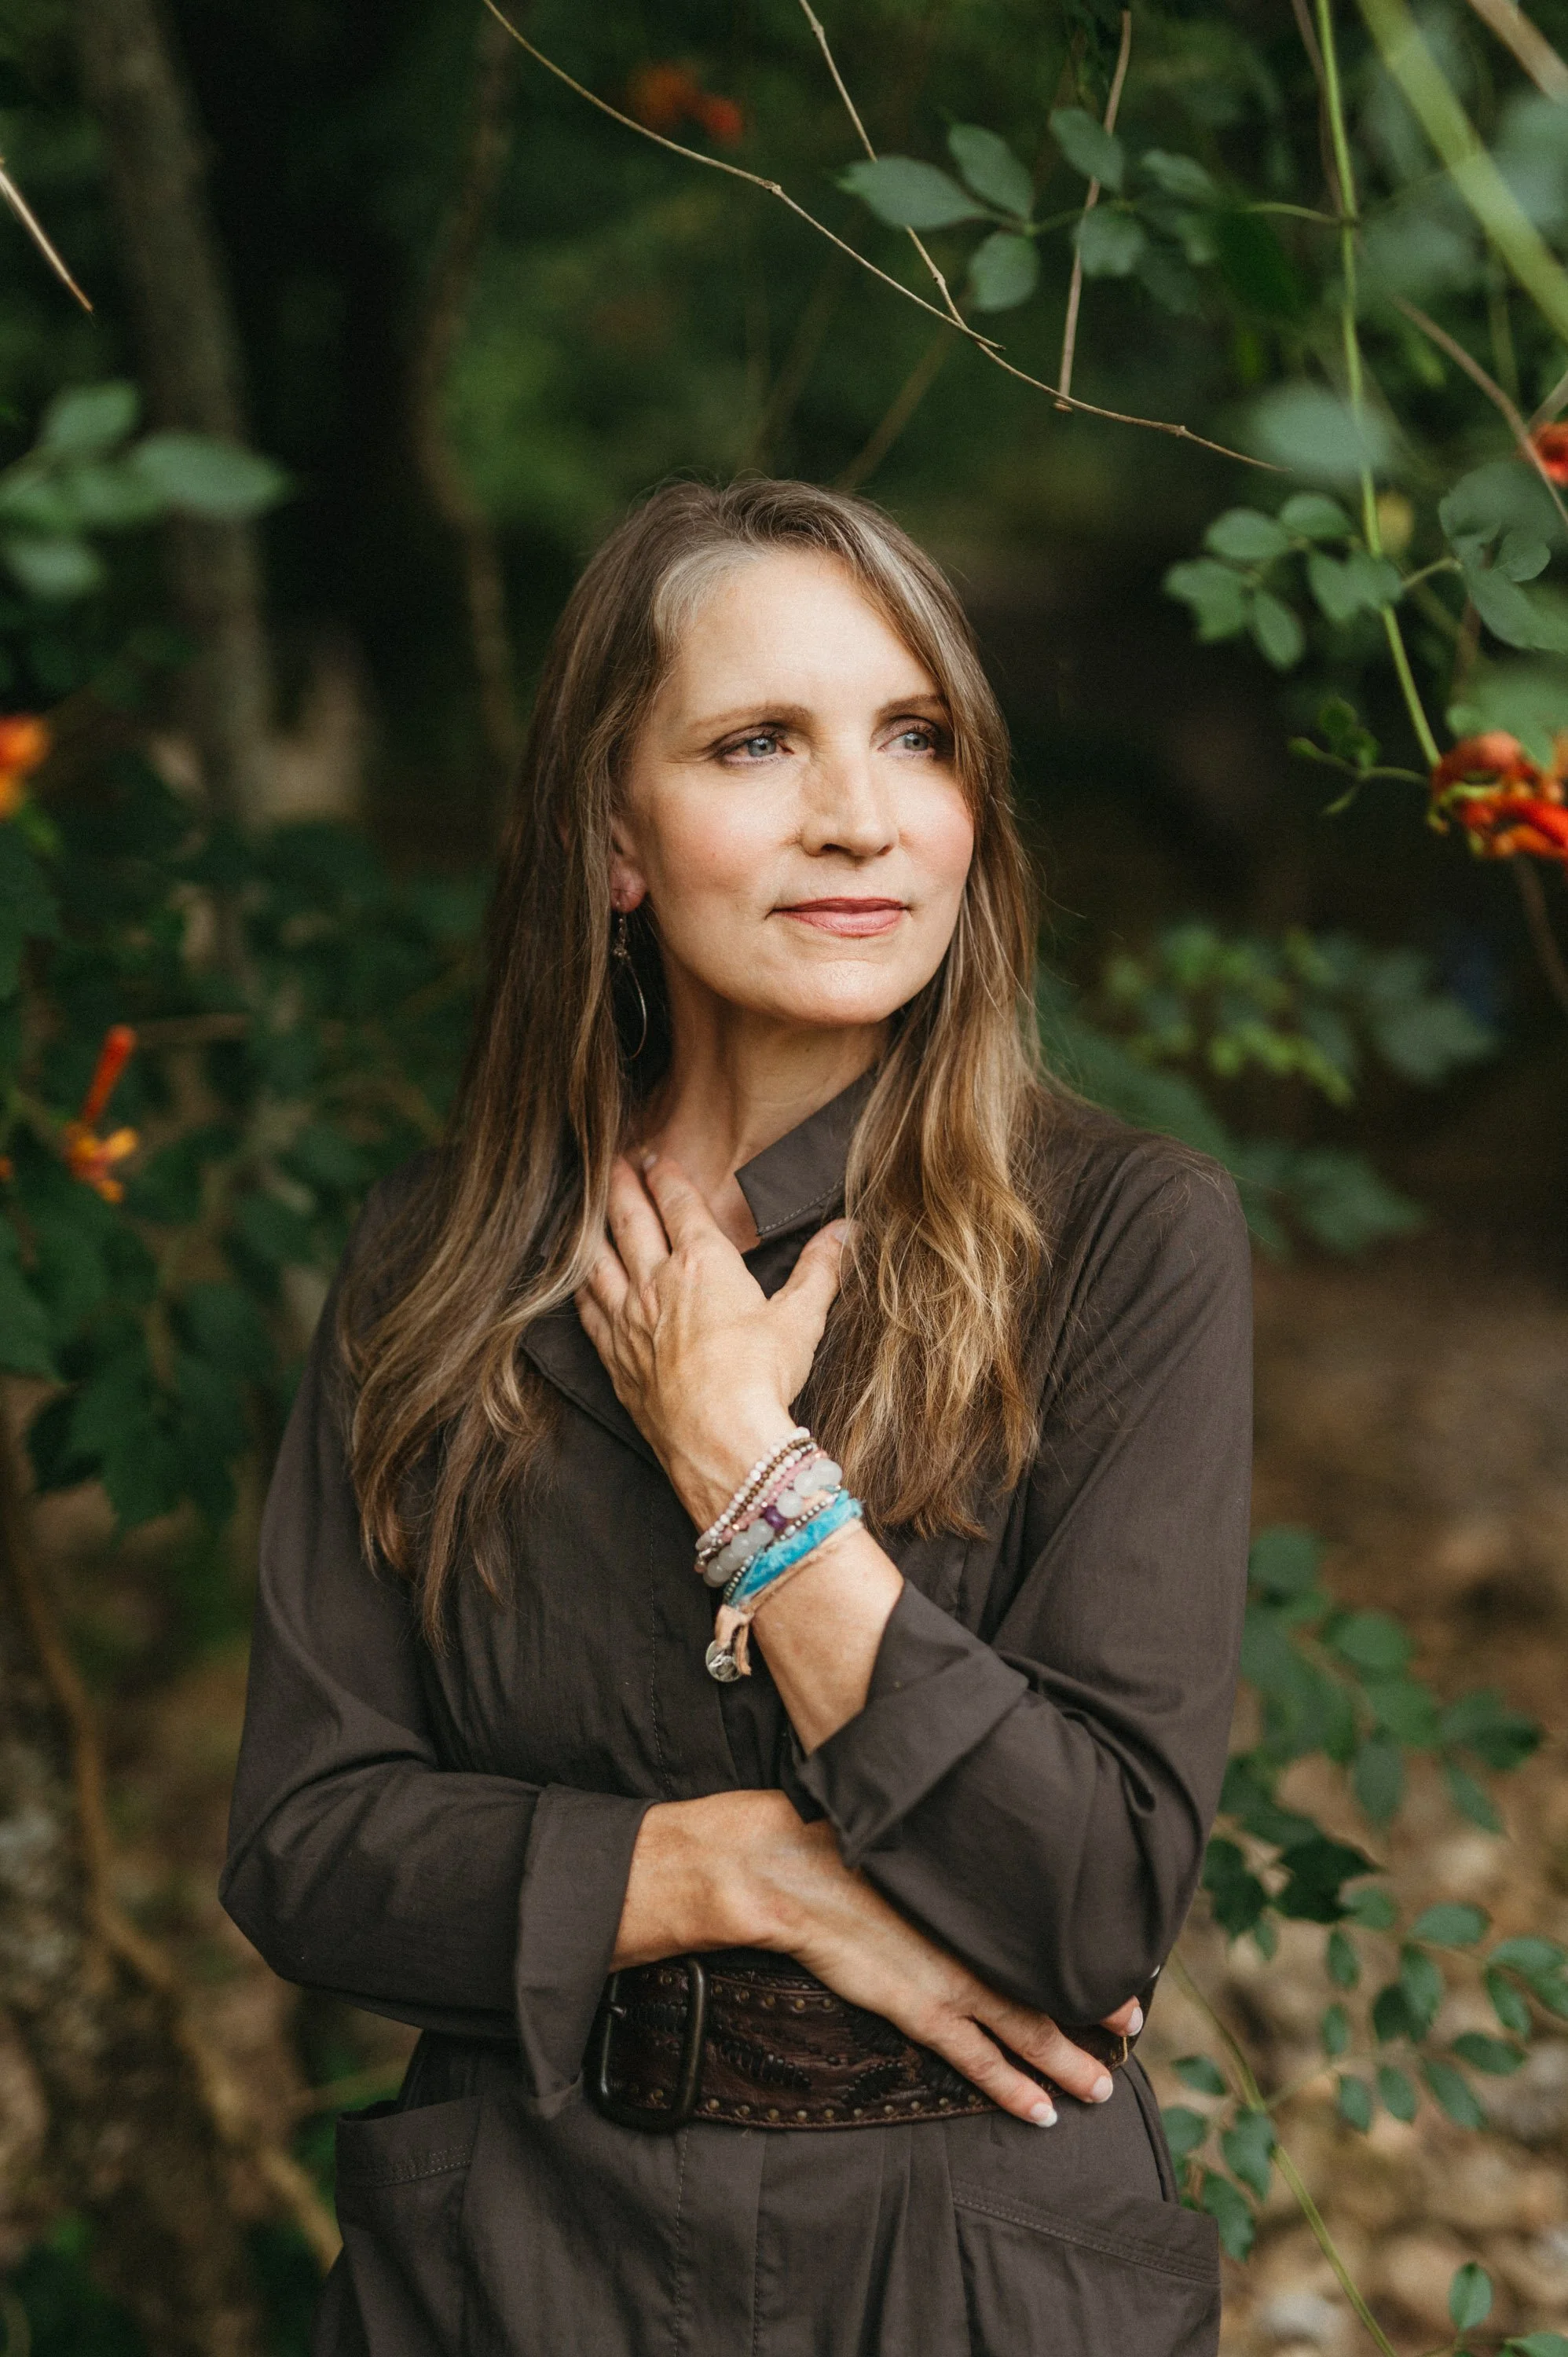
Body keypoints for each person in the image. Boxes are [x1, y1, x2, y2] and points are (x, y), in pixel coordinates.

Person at [222, 477, 1251, 2357]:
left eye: (913, 738)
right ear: (616, 835)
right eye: (757, 741)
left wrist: (745, 1470)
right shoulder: (432, 1261)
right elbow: (309, 1849)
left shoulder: (1119, 1241)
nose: (857, 816)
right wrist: (724, 1870)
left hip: (962, 2265)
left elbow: (1093, 1898)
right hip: (515, 2256)